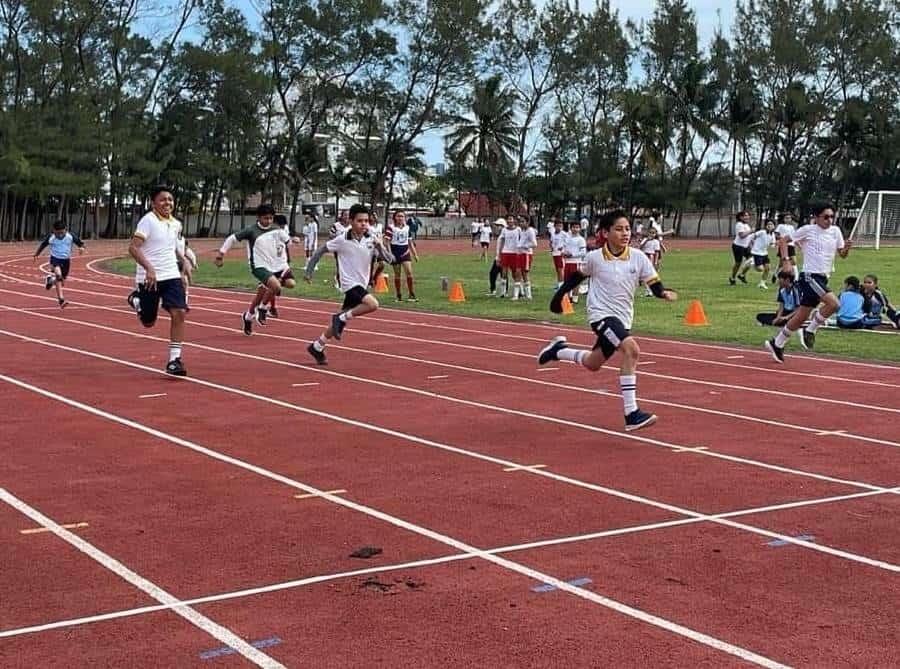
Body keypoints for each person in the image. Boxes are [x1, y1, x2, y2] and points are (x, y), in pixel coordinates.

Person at [537, 209, 677, 431]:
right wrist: (558, 297)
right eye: (619, 229)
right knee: (632, 350)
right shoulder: (595, 258)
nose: (625, 233)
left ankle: (557, 351)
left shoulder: (638, 257)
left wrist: (663, 293)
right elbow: (576, 277)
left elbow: (653, 283)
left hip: (623, 319)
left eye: (628, 229)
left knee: (594, 363)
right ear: (605, 232)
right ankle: (631, 413)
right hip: (601, 316)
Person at [303, 204, 393, 364]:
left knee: (340, 322)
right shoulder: (342, 240)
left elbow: (389, 260)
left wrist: (380, 246)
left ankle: (317, 346)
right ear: (351, 221)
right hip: (349, 284)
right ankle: (340, 318)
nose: (364, 224)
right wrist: (309, 271)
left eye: (366, 221)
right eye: (360, 221)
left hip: (362, 284)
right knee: (373, 304)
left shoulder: (372, 239)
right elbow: (320, 251)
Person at [764, 203, 852, 362]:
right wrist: (785, 261)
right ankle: (810, 330)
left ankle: (777, 343)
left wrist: (847, 248)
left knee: (801, 315)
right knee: (835, 304)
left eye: (832, 216)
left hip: (824, 276)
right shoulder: (808, 230)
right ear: (816, 217)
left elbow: (842, 254)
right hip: (810, 276)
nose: (830, 220)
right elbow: (783, 241)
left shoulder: (835, 231)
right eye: (826, 217)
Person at [127, 185, 191, 376]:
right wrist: (149, 269)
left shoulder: (176, 224)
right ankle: (137, 300)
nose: (167, 203)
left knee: (179, 312)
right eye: (163, 199)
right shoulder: (148, 221)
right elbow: (133, 248)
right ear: (153, 202)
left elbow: (172, 247)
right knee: (148, 322)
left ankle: (174, 360)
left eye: (170, 199)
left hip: (171, 274)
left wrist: (184, 260)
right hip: (150, 278)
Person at [214, 204, 296, 336]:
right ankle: (263, 310)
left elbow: (287, 241)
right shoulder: (251, 231)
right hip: (260, 267)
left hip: (278, 266)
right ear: (258, 217)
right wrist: (221, 254)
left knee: (290, 284)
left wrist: (293, 240)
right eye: (265, 218)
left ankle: (248, 317)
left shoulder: (277, 229)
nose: (268, 221)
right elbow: (232, 239)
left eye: (270, 218)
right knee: (274, 287)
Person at [33, 220, 86, 308]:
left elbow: (81, 244)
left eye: (62, 233)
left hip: (66, 261)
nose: (60, 235)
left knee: (61, 280)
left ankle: (50, 281)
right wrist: (36, 254)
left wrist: (81, 248)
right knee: (58, 275)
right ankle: (61, 300)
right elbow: (43, 245)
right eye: (58, 233)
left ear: (66, 230)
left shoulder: (71, 236)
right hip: (55, 259)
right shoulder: (51, 237)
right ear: (54, 231)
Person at [385, 210, 418, 301]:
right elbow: (387, 242)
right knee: (397, 274)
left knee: (409, 272)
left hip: (405, 252)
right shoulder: (391, 228)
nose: (400, 218)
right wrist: (389, 253)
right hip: (395, 252)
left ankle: (411, 294)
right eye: (398, 216)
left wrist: (415, 254)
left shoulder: (407, 228)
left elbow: (410, 242)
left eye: (402, 216)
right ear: (395, 217)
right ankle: (398, 295)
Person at [561, 219, 587, 303]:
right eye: (573, 227)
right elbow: (563, 248)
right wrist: (563, 253)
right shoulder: (567, 238)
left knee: (575, 282)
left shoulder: (581, 239)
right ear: (570, 228)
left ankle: (575, 298)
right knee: (567, 281)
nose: (575, 229)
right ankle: (568, 297)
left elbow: (583, 253)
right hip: (567, 262)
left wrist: (572, 254)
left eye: (577, 227)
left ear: (580, 228)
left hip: (576, 262)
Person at [513, 217, 537, 300]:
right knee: (517, 272)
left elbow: (534, 244)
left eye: (523, 222)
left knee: (524, 273)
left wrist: (525, 246)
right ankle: (516, 295)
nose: (521, 223)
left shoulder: (530, 231)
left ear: (528, 222)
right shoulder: (522, 231)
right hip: (520, 253)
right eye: (520, 222)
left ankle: (528, 295)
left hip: (526, 254)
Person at [747, 220, 776, 288]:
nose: (769, 226)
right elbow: (752, 236)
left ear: (774, 226)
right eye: (768, 224)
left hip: (764, 253)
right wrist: (751, 244)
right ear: (765, 226)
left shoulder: (773, 235)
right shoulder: (762, 232)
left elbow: (772, 244)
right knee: (760, 269)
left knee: (767, 268)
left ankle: (762, 283)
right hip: (756, 253)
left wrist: (774, 244)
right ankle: (752, 262)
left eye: (771, 224)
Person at [496, 216, 519, 299]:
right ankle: (503, 293)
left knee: (515, 273)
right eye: (508, 219)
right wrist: (499, 255)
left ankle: (517, 293)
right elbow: (502, 241)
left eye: (511, 219)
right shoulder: (504, 230)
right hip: (505, 253)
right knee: (504, 273)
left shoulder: (518, 230)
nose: (509, 221)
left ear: (514, 220)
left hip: (515, 253)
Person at [729, 210, 754, 285]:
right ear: (740, 217)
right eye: (745, 216)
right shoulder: (739, 224)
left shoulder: (746, 225)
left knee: (752, 259)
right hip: (738, 246)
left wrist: (753, 244)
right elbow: (742, 235)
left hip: (746, 247)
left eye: (748, 215)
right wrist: (751, 231)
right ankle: (732, 278)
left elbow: (750, 237)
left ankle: (742, 275)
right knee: (738, 263)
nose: (747, 217)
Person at [773, 212, 798, 281]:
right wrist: (781, 239)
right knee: (781, 263)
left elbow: (793, 236)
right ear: (783, 219)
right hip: (783, 245)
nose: (788, 219)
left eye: (789, 218)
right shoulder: (780, 226)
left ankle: (796, 278)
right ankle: (775, 274)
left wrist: (796, 244)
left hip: (791, 245)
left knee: (794, 261)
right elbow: (776, 235)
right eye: (786, 218)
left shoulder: (792, 227)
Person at [549, 219, 567, 287]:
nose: (559, 227)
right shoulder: (553, 234)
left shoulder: (564, 234)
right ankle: (560, 283)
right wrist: (551, 247)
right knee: (557, 270)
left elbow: (568, 243)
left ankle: (561, 285)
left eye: (560, 226)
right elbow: (551, 242)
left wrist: (562, 247)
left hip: (560, 254)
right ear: (554, 226)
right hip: (555, 253)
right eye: (557, 226)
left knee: (560, 269)